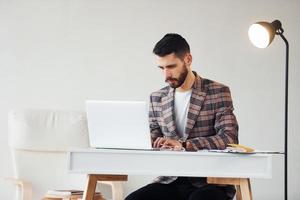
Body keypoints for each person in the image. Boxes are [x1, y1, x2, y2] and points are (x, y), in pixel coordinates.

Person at [125, 33, 239, 200]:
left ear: (188, 59)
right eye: (162, 68)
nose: (166, 75)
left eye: (171, 67)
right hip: (169, 181)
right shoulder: (157, 97)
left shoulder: (218, 91)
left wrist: (184, 145)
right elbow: (153, 135)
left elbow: (229, 138)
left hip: (208, 182)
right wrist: (146, 140)